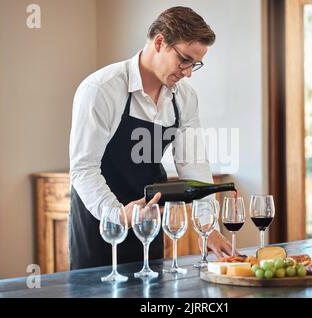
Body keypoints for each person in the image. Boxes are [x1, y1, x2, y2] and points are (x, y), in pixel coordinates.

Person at [69, 6, 232, 270]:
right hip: (100, 227)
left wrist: (208, 226)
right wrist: (120, 216)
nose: (188, 72)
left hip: (150, 223)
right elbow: (83, 169)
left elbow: (194, 164)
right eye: (185, 60)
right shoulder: (101, 89)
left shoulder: (185, 97)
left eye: (195, 64)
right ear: (159, 43)